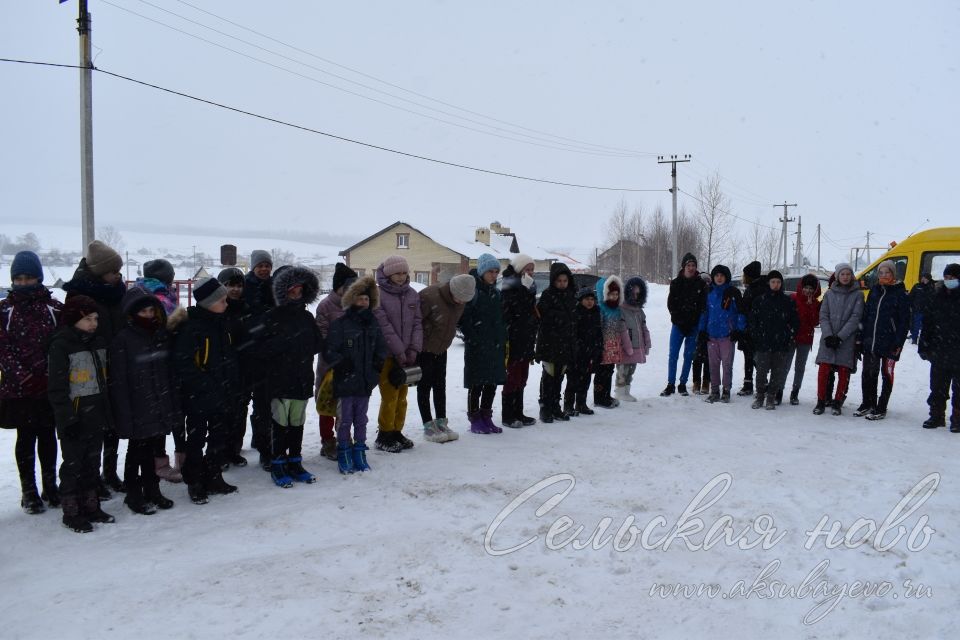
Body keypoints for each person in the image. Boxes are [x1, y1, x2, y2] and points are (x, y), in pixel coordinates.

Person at [0, 251, 63, 514]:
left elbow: (61, 344)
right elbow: (3, 350)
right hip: (19, 389)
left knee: (48, 435)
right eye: (19, 278)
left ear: (39, 277)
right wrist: (24, 376)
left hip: (48, 386)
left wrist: (49, 374)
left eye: (29, 278)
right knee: (25, 438)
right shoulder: (5, 310)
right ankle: (29, 491)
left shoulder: (54, 308)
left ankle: (50, 485)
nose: (24, 283)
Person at [62, 240, 127, 497]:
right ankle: (93, 478)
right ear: (99, 272)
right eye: (114, 272)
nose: (118, 276)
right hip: (89, 366)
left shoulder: (117, 292)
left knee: (112, 423)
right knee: (93, 428)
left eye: (119, 272)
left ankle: (110, 472)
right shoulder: (80, 295)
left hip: (115, 363)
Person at [47, 295, 114, 533]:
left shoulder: (99, 342)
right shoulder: (61, 345)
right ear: (75, 319)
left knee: (92, 462)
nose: (93, 323)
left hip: (96, 414)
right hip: (74, 416)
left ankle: (91, 504)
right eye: (87, 319)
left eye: (95, 318)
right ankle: (71, 510)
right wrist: (68, 418)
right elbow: (56, 388)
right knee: (73, 464)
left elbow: (105, 380)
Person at [108, 289, 179, 514]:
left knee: (153, 449)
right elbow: (119, 381)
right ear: (131, 313)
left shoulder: (160, 335)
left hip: (157, 404)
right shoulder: (124, 339)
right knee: (136, 452)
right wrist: (125, 413)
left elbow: (166, 372)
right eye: (143, 311)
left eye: (151, 310)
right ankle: (133, 493)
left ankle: (152, 489)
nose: (148, 315)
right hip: (137, 406)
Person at [173, 277, 240, 504]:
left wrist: (230, 383)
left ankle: (214, 476)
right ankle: (195, 481)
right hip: (198, 397)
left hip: (222, 393)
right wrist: (204, 386)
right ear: (208, 303)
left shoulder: (222, 323)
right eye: (222, 300)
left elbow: (229, 357)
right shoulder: (192, 327)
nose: (226, 304)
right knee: (196, 440)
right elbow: (185, 364)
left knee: (219, 437)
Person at [257, 266, 324, 487]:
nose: (296, 294)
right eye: (292, 291)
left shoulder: (306, 316)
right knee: (279, 424)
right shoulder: (272, 316)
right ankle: (278, 463)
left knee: (297, 423)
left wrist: (305, 345)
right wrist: (285, 346)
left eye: (300, 291)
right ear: (284, 292)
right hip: (279, 380)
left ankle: (295, 461)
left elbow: (316, 344)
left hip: (301, 377)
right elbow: (263, 348)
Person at [325, 276, 388, 473]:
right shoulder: (340, 324)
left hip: (364, 381)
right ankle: (344, 449)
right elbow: (329, 350)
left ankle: (359, 449)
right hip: (345, 382)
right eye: (360, 298)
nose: (364, 302)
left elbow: (381, 347)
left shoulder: (373, 323)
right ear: (351, 299)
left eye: (367, 299)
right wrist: (341, 363)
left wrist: (376, 367)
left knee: (361, 418)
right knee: (344, 419)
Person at [134, 259, 188, 483]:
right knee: (171, 416)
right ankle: (172, 462)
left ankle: (164, 461)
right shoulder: (160, 296)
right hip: (162, 361)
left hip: (158, 362)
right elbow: (167, 324)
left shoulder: (142, 291)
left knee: (167, 415)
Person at [373, 256, 423, 452]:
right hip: (387, 355)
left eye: (404, 273)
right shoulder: (378, 295)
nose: (401, 277)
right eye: (397, 273)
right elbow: (384, 327)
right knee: (389, 395)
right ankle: (384, 433)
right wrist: (399, 351)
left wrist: (413, 349)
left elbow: (418, 323)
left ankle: (396, 431)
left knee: (402, 395)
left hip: (407, 355)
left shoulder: (412, 295)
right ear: (388, 274)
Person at [417, 274, 476, 438]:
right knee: (425, 386)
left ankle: (441, 422)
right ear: (453, 290)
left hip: (441, 348)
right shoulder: (429, 296)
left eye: (465, 300)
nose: (461, 303)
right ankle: (428, 424)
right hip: (424, 349)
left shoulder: (461, 300)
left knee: (440, 385)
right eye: (460, 299)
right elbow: (415, 323)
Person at [854, 260, 911, 420]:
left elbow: (904, 321)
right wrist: (861, 335)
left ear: (893, 274)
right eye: (881, 272)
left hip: (890, 342)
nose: (884, 275)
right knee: (868, 373)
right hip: (871, 340)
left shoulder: (900, 293)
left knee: (886, 374)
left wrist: (898, 343)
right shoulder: (874, 291)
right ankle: (868, 402)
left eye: (887, 272)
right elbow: (866, 315)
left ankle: (881, 406)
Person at [314, 263, 358, 461]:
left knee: (346, 404)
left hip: (351, 365)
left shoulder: (356, 305)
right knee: (327, 404)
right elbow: (322, 336)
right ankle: (327, 440)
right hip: (330, 365)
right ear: (338, 286)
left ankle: (344, 437)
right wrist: (336, 355)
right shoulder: (326, 306)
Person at [459, 254, 506, 434]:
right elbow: (464, 319)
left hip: (494, 346)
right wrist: (473, 338)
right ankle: (474, 418)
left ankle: (487, 416)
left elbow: (501, 319)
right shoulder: (473, 292)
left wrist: (501, 337)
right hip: (478, 346)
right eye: (490, 272)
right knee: (476, 384)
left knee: (492, 383)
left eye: (496, 272)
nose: (494, 275)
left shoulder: (496, 293)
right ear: (481, 272)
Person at [813, 263, 864, 416]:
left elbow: (856, 317)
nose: (845, 277)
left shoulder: (858, 295)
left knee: (843, 371)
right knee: (824, 370)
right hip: (828, 337)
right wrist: (828, 335)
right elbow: (823, 315)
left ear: (852, 276)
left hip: (846, 339)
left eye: (848, 274)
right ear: (837, 276)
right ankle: (821, 401)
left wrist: (841, 337)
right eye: (842, 274)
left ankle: (837, 402)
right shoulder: (829, 294)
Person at [217, 267, 253, 468]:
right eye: (230, 285)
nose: (235, 289)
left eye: (239, 285)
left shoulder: (246, 309)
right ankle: (220, 452)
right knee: (222, 414)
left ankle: (234, 450)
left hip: (243, 369)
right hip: (223, 370)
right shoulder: (217, 309)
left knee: (240, 412)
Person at [747, 270, 799, 410]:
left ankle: (771, 397)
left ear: (781, 284)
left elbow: (794, 322)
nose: (775, 285)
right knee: (761, 372)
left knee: (777, 373)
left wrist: (788, 336)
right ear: (768, 283)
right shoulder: (760, 300)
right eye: (773, 282)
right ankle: (759, 397)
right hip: (763, 343)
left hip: (780, 344)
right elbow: (753, 321)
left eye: (778, 282)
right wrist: (757, 337)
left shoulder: (787, 301)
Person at [242, 249, 275, 470]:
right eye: (260, 265)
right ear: (253, 267)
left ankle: (263, 443)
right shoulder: (245, 286)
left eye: (267, 265)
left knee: (266, 402)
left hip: (270, 351)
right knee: (252, 401)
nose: (264, 269)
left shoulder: (275, 285)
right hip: (249, 350)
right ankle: (255, 442)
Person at [535, 262, 578, 423]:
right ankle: (545, 407)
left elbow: (575, 320)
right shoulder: (547, 295)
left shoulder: (572, 296)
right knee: (549, 376)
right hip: (550, 344)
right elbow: (543, 318)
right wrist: (559, 318)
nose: (562, 284)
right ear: (553, 280)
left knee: (560, 376)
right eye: (559, 281)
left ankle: (555, 406)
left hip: (566, 344)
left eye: (565, 281)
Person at [918, 263, 960, 431]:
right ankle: (936, 415)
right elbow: (927, 322)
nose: (949, 280)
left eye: (953, 278)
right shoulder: (937, 296)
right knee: (937, 386)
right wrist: (924, 344)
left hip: (958, 351)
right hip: (940, 349)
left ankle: (957, 418)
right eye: (947, 277)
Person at [499, 254, 539, 427]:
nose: (530, 273)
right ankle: (508, 415)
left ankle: (518, 412)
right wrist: (525, 291)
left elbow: (530, 310)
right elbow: (514, 311)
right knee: (512, 378)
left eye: (532, 269)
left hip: (526, 338)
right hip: (513, 339)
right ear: (519, 269)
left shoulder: (528, 286)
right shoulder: (508, 284)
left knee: (522, 378)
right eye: (527, 269)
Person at [662, 253, 708, 397]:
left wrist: (696, 323)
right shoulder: (676, 283)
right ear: (684, 266)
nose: (691, 268)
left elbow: (702, 306)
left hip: (693, 327)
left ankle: (682, 384)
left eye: (693, 265)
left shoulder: (700, 284)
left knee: (689, 356)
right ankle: (670, 384)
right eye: (688, 265)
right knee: (673, 355)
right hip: (678, 325)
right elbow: (671, 304)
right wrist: (678, 319)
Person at [699, 265, 746, 404]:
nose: (719, 278)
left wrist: (738, 330)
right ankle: (714, 391)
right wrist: (702, 330)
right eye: (717, 275)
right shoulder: (708, 292)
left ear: (726, 277)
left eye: (722, 275)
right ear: (713, 277)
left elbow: (740, 313)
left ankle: (726, 390)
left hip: (727, 336)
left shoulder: (733, 292)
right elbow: (704, 313)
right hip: (711, 335)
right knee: (713, 365)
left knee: (727, 365)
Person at [594, 275, 632, 408]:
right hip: (603, 346)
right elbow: (597, 329)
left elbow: (620, 327)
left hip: (614, 346)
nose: (614, 297)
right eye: (611, 294)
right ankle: (599, 398)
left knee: (609, 371)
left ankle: (606, 395)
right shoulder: (601, 309)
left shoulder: (616, 310)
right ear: (604, 293)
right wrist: (599, 345)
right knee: (601, 373)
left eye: (616, 294)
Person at [564, 286, 603, 416]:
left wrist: (598, 349)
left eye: (592, 299)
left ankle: (581, 404)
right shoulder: (576, 313)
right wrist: (576, 349)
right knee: (572, 381)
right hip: (576, 355)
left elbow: (598, 333)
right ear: (580, 300)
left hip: (590, 355)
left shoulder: (596, 312)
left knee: (585, 380)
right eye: (587, 299)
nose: (590, 302)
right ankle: (568, 405)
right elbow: (572, 334)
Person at [787, 274, 822, 405]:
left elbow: (815, 322)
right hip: (791, 337)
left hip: (805, 339)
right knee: (785, 365)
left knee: (800, 367)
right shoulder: (793, 298)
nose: (808, 290)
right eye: (805, 287)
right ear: (801, 287)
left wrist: (811, 307)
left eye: (810, 288)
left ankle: (795, 392)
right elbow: (787, 317)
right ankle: (778, 390)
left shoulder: (816, 304)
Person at [615, 276, 652, 403]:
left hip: (637, 346)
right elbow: (622, 330)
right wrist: (627, 346)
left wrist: (647, 343)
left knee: (631, 370)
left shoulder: (639, 311)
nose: (635, 296)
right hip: (625, 348)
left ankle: (627, 391)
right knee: (622, 371)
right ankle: (620, 392)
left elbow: (644, 327)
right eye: (633, 293)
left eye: (638, 293)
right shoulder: (622, 310)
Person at [737, 260, 767, 397]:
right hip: (755, 330)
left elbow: (745, 309)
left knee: (753, 359)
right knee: (751, 358)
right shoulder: (759, 287)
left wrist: (744, 327)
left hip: (752, 330)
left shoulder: (754, 289)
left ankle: (760, 384)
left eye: (744, 275)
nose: (743, 277)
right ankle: (751, 384)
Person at [690, 272, 713, 395]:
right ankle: (696, 381)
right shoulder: (695, 292)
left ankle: (706, 382)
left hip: (710, 329)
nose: (705, 284)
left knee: (709, 358)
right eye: (703, 281)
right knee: (697, 357)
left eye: (707, 281)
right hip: (697, 328)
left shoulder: (712, 294)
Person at [908, 272, 934, 345]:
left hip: (927, 311)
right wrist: (910, 305)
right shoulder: (917, 286)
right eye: (922, 277)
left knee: (925, 326)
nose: (923, 279)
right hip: (917, 310)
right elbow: (911, 296)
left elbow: (933, 298)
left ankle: (924, 339)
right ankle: (914, 338)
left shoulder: (931, 287)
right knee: (915, 325)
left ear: (928, 279)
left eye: (925, 278)